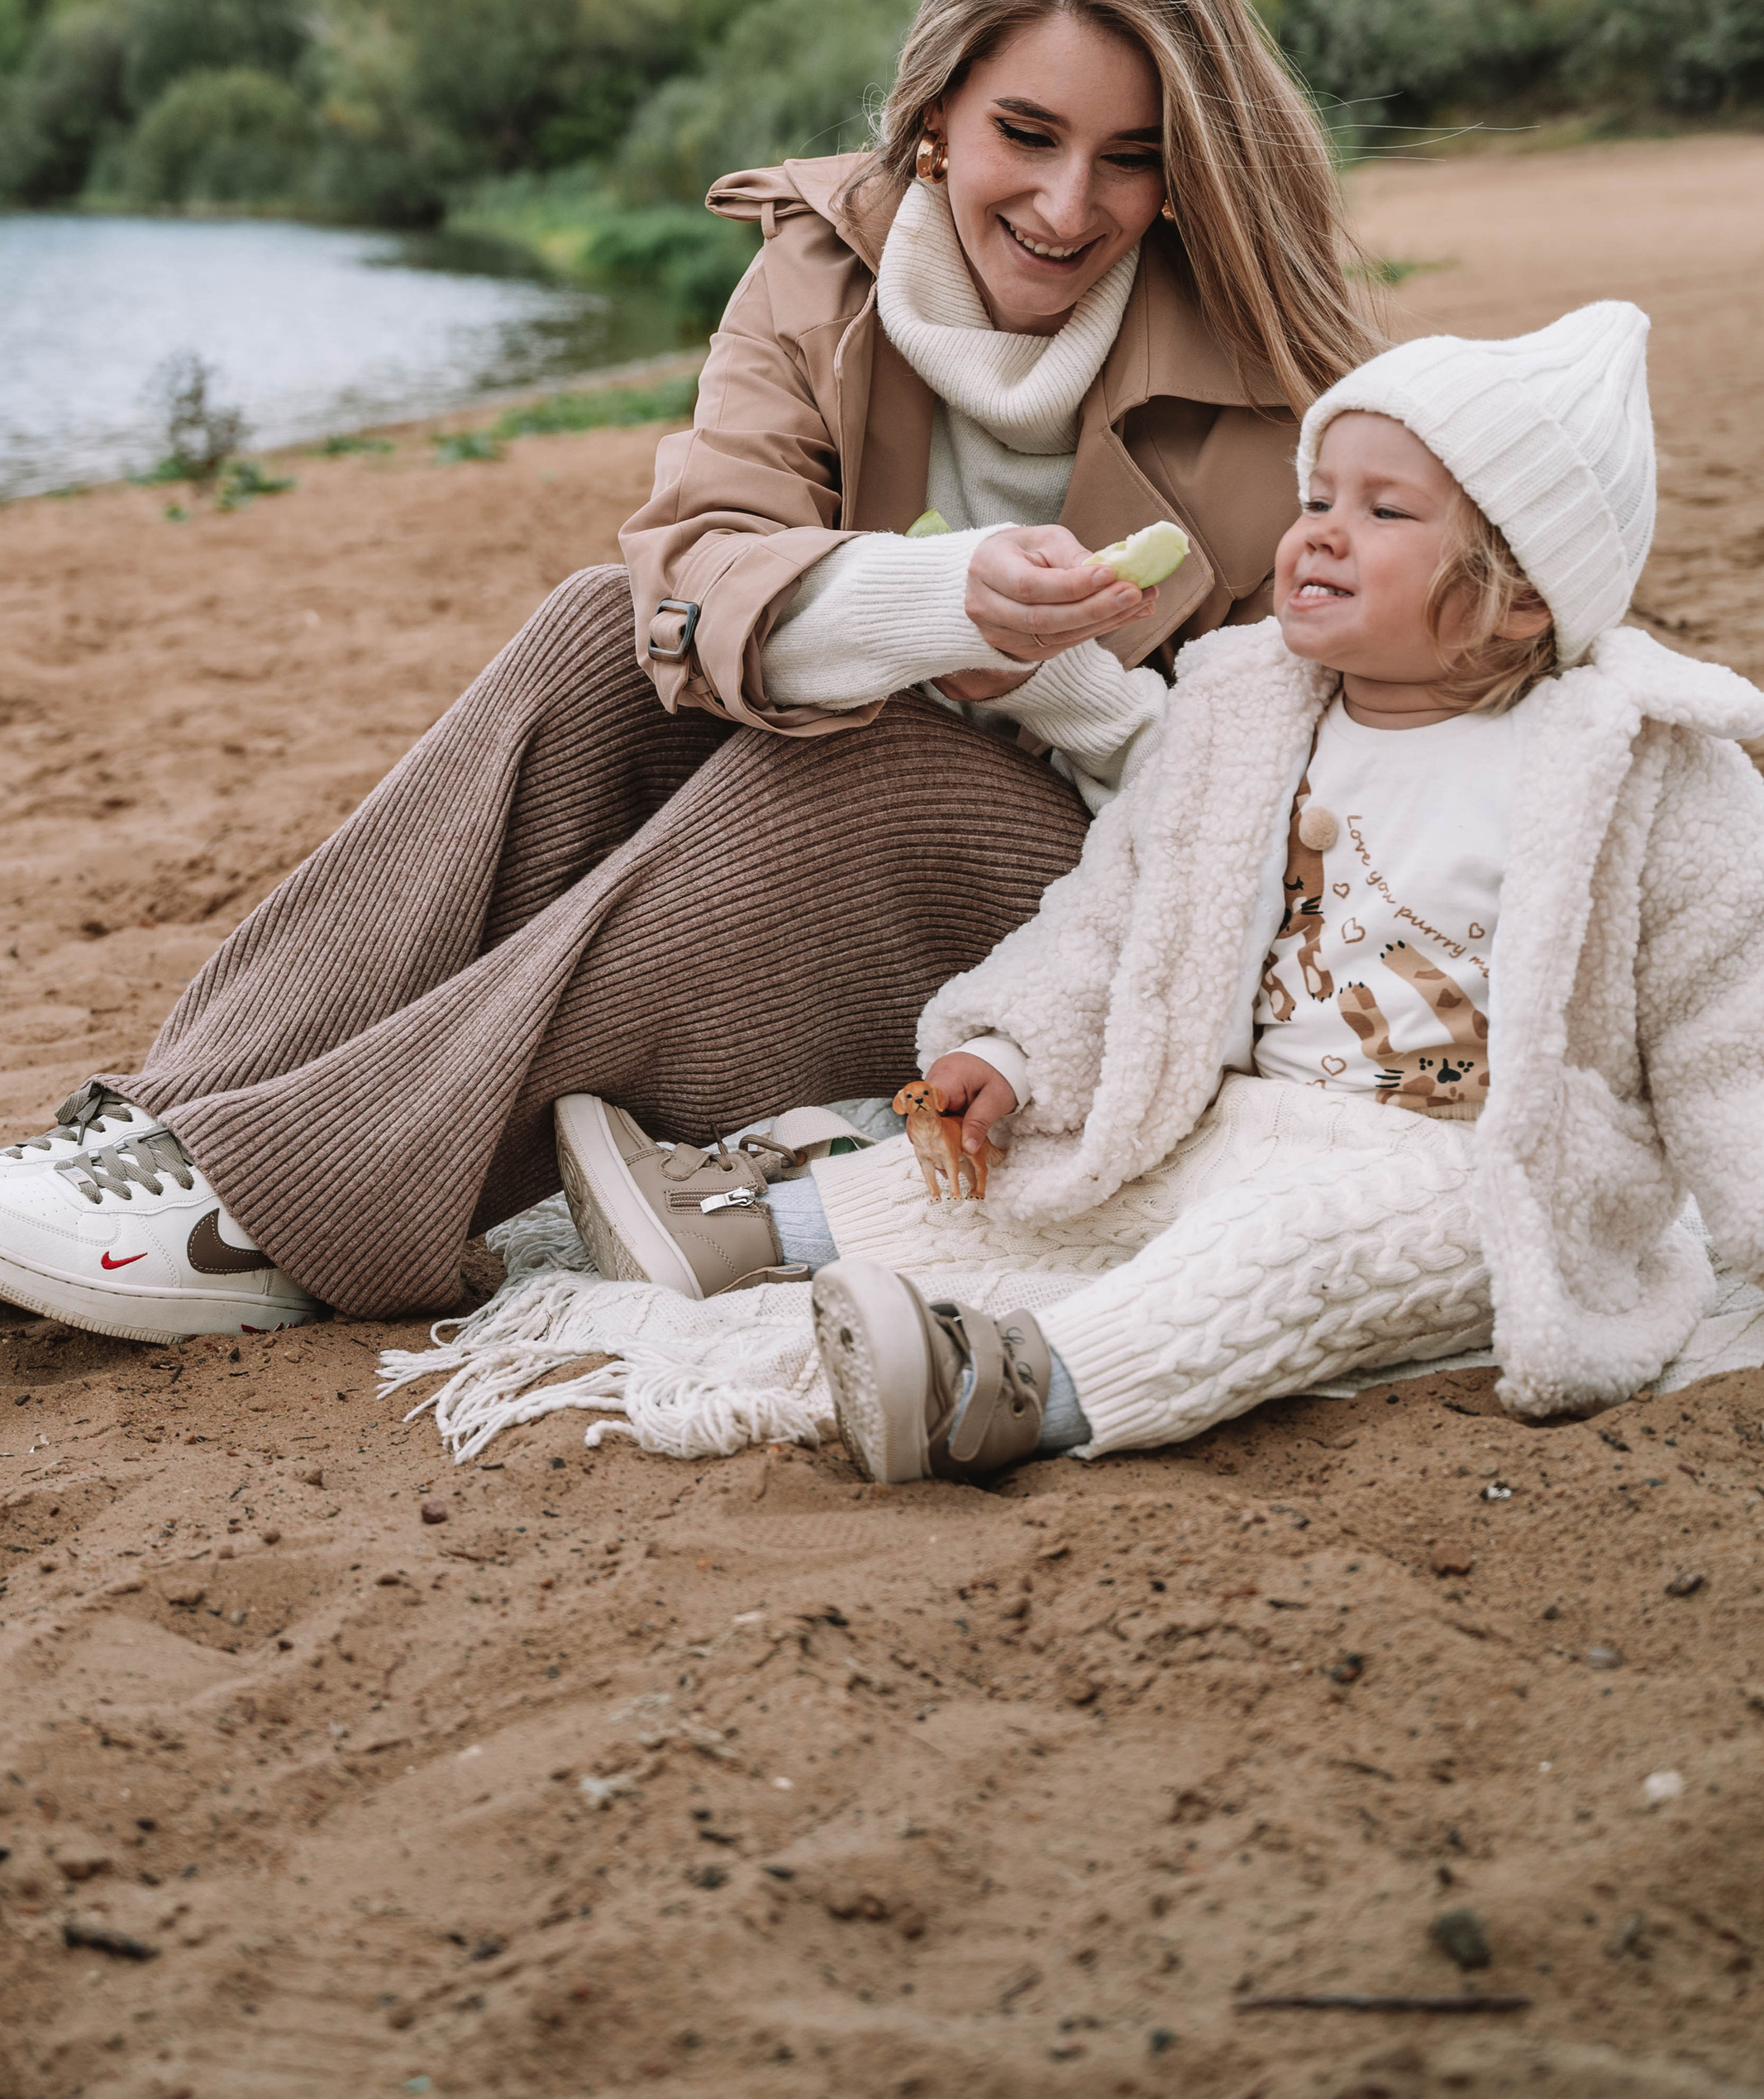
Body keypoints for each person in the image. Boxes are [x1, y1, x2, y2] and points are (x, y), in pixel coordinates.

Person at [0, 0, 1369, 1339]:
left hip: (1089, 897)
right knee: (598, 624)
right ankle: (173, 1123)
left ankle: (285, 1208)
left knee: (883, 762)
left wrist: (1051, 689)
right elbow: (694, 565)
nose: (1064, 202)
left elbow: (1292, 798)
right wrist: (942, 603)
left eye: (1128, 156)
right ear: (932, 122)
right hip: (836, 813)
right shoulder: (820, 277)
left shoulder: (1285, 399)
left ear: (1186, 170)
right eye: (1024, 136)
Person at [557, 303, 1764, 1478]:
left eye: (1384, 510)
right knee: (1056, 1168)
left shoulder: (1640, 767)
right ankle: (760, 1231)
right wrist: (1013, 1056)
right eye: (1317, 498)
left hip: (1480, 1170)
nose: (1319, 534)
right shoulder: (1247, 711)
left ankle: (1016, 1386)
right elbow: (1117, 912)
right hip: (1246, 1112)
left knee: (1283, 1258)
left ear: (1527, 590)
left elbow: (1730, 1024)